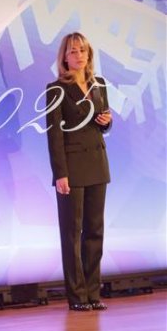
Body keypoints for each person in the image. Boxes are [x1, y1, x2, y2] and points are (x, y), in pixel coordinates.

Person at [46, 32, 113, 312]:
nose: (79, 55)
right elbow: (54, 136)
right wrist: (60, 173)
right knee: (72, 233)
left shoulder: (99, 84)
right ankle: (77, 296)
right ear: (64, 57)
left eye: (83, 50)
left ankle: (93, 293)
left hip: (97, 163)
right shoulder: (56, 89)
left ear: (89, 54)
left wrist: (107, 121)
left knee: (95, 231)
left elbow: (102, 124)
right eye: (73, 51)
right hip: (72, 168)